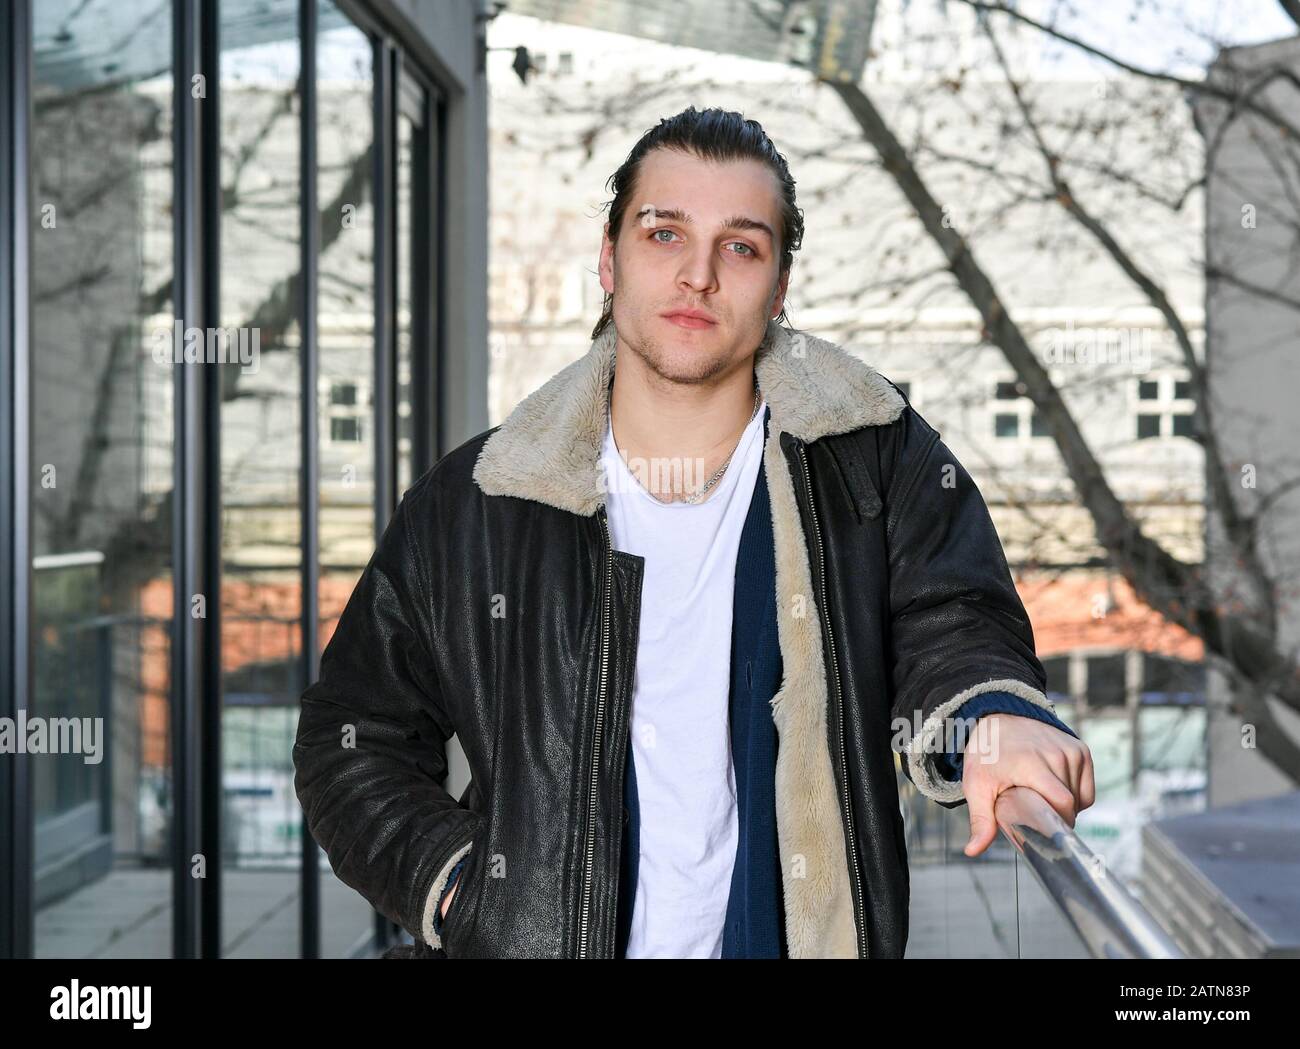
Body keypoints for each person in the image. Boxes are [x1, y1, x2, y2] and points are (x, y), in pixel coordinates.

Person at [292, 105, 1094, 960]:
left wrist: (997, 719)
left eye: (741, 246)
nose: (699, 275)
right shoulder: (484, 498)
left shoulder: (873, 460)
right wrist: (464, 892)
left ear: (779, 286)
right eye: (664, 234)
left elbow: (956, 624)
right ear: (610, 258)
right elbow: (350, 739)